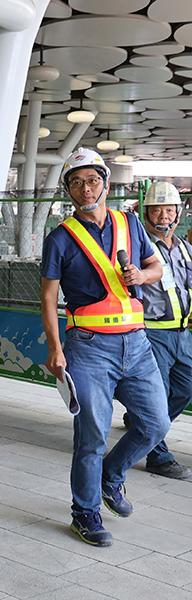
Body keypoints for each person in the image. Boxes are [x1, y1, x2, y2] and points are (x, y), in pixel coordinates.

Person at [40, 147, 170, 547]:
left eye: (92, 180)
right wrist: (55, 349)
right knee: (91, 433)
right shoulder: (60, 238)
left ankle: (110, 479)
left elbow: (157, 267)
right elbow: (48, 297)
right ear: (68, 190)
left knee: (156, 423)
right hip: (89, 346)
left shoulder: (129, 222)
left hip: (136, 342)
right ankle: (85, 512)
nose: (85, 189)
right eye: (76, 183)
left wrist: (141, 276)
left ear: (106, 183)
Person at [130, 181, 192, 480]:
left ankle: (144, 425)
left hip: (182, 334)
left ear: (179, 213)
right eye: (157, 210)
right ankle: (158, 456)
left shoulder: (184, 249)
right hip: (152, 333)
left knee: (186, 388)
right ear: (147, 213)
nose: (164, 216)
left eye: (170, 210)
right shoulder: (140, 246)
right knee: (158, 394)